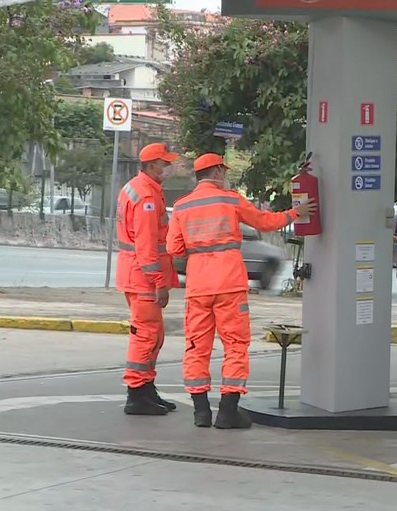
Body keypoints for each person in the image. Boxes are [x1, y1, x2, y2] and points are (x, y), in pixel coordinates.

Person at [167, 153, 316, 429]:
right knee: (235, 345)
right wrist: (296, 213)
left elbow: (174, 249)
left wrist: (198, 250)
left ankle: (201, 412)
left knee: (196, 347)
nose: (225, 176)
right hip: (229, 285)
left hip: (198, 287)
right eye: (223, 171)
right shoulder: (230, 200)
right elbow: (265, 222)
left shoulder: (181, 206)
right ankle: (227, 412)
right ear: (216, 173)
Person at [115, 142, 181, 416]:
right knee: (146, 336)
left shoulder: (142, 188)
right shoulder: (146, 197)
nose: (168, 167)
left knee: (154, 336)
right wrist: (159, 282)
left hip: (136, 274)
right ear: (151, 165)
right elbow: (146, 247)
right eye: (164, 163)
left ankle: (146, 388)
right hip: (142, 278)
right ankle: (137, 394)